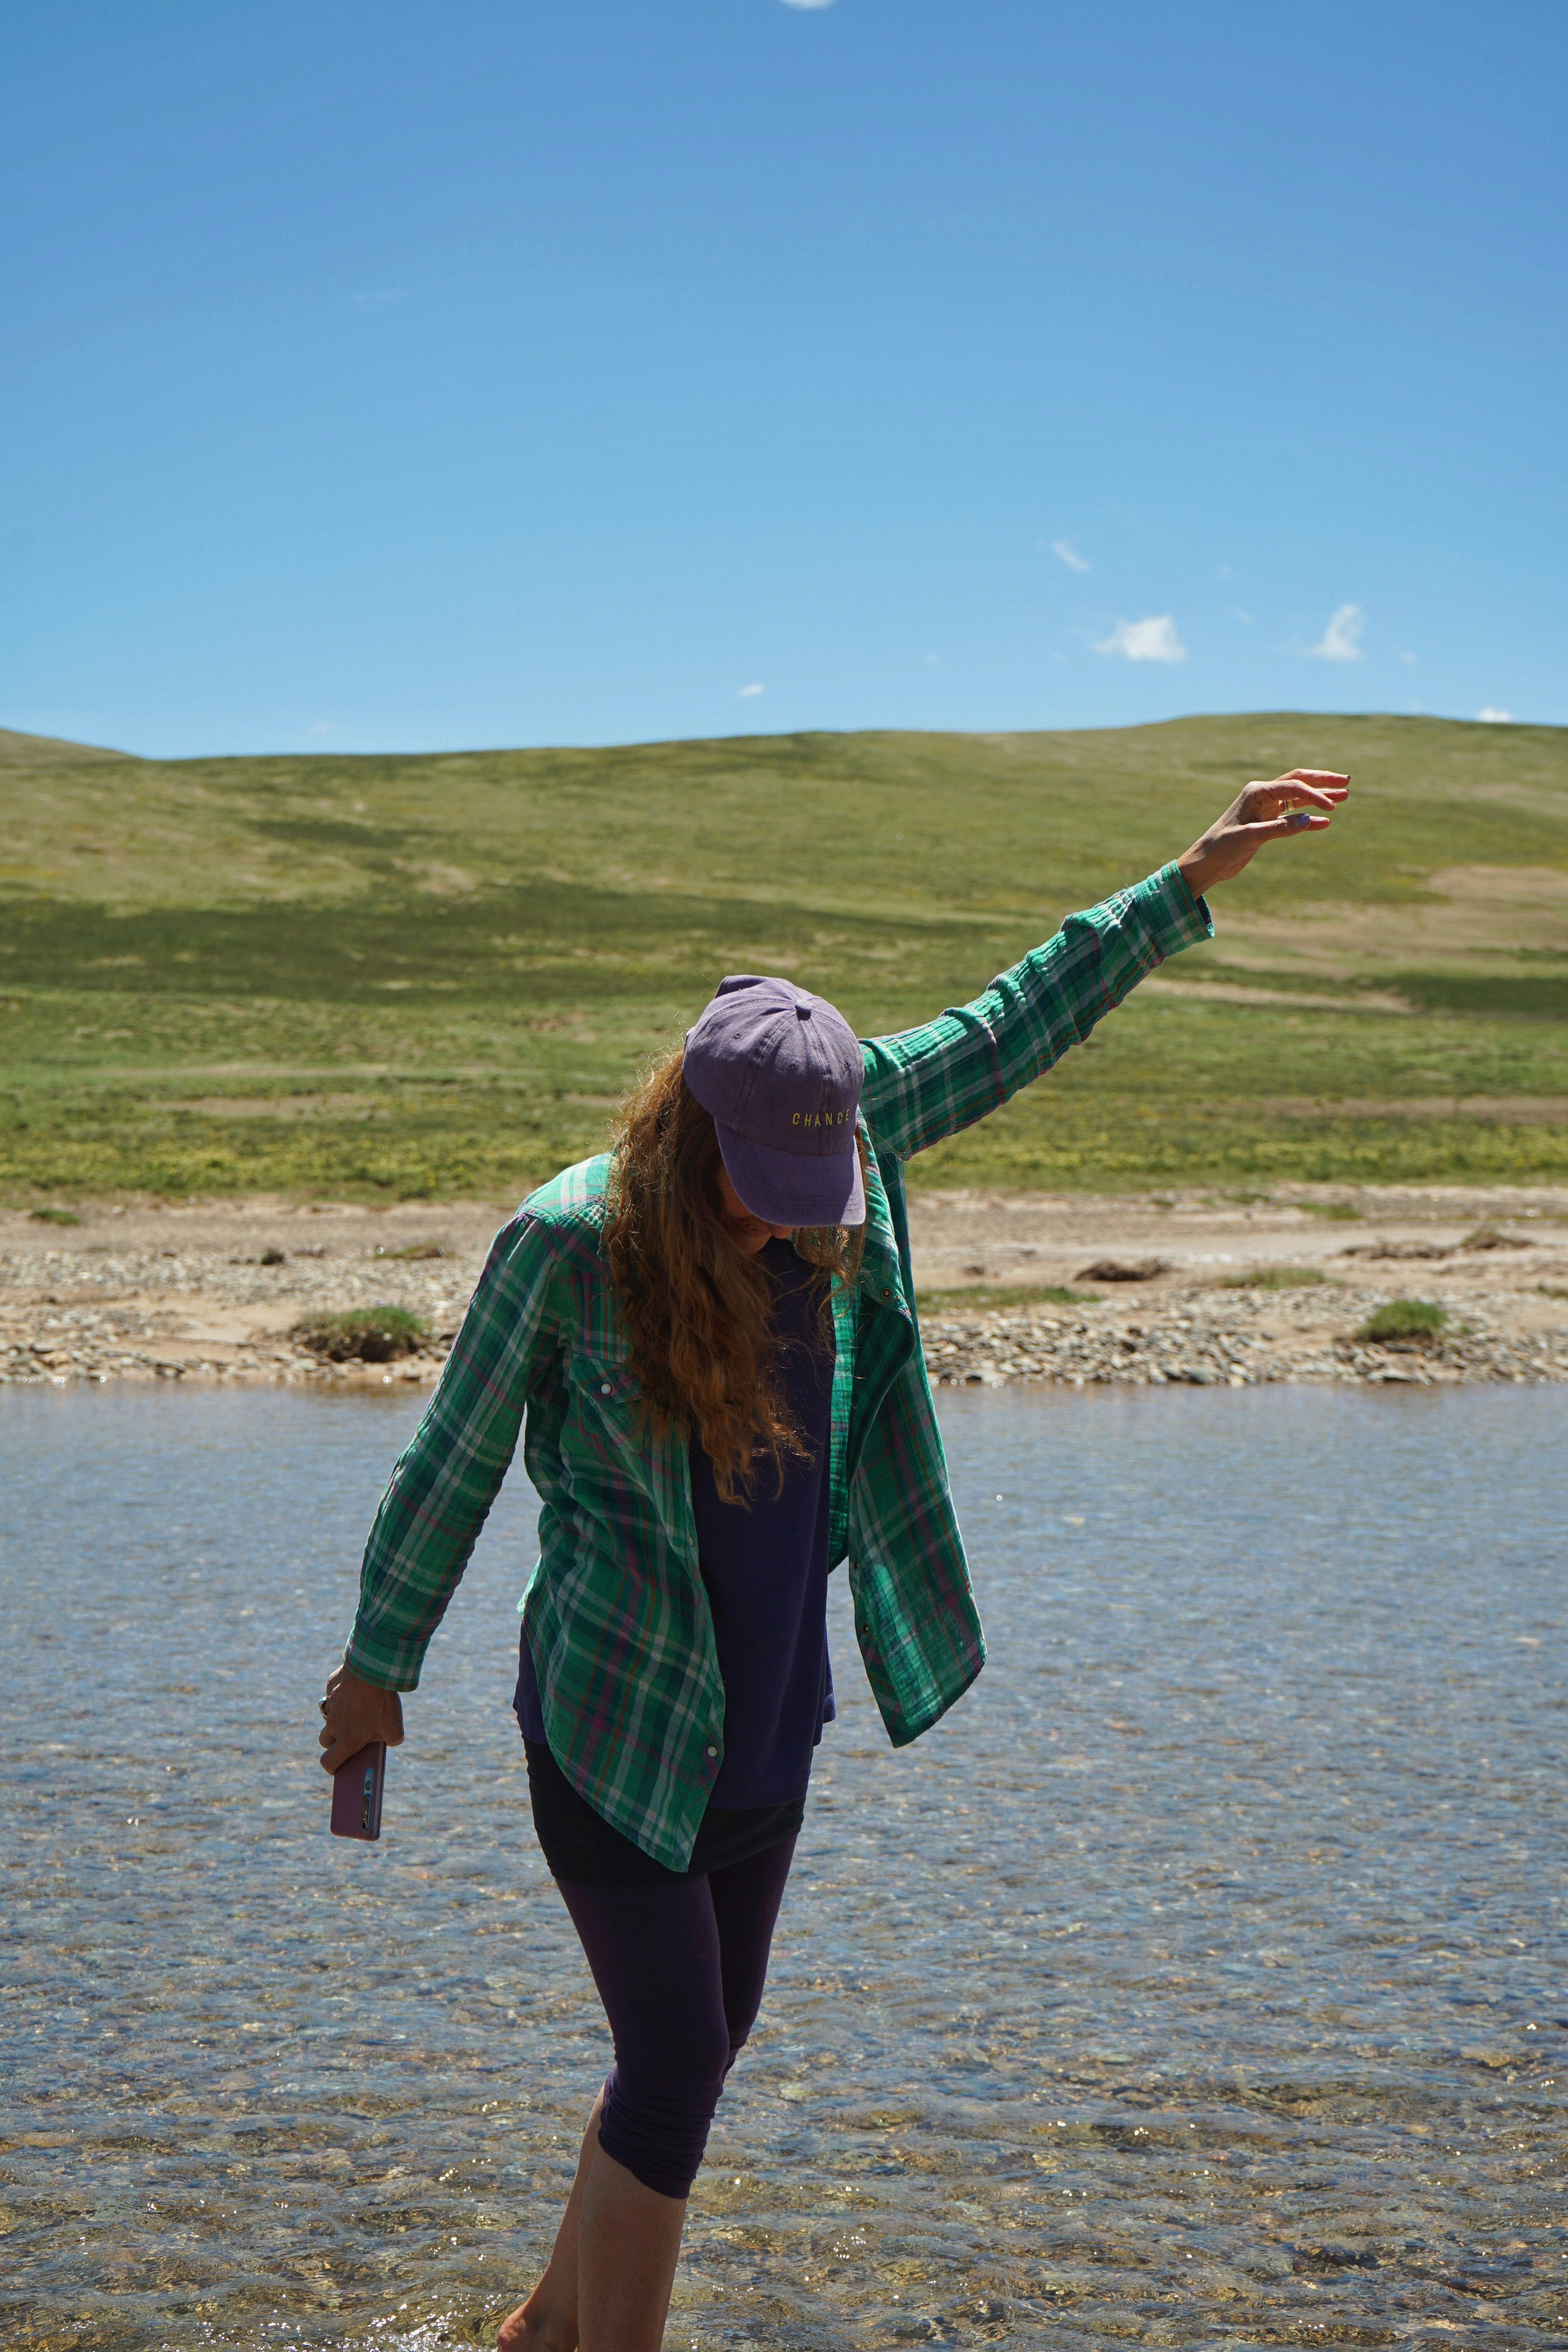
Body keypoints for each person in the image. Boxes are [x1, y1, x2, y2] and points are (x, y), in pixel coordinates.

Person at [318, 768, 1347, 2352]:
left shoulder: (839, 1133)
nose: (783, 1226)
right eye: (754, 1194)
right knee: (671, 2070)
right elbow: (447, 1468)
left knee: (706, 2046)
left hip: (772, 1715)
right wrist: (373, 1673)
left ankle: (536, 2336)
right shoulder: (566, 1245)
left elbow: (1009, 1024)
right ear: (688, 1129)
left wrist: (1188, 876)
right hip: (613, 1717)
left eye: (812, 1198)